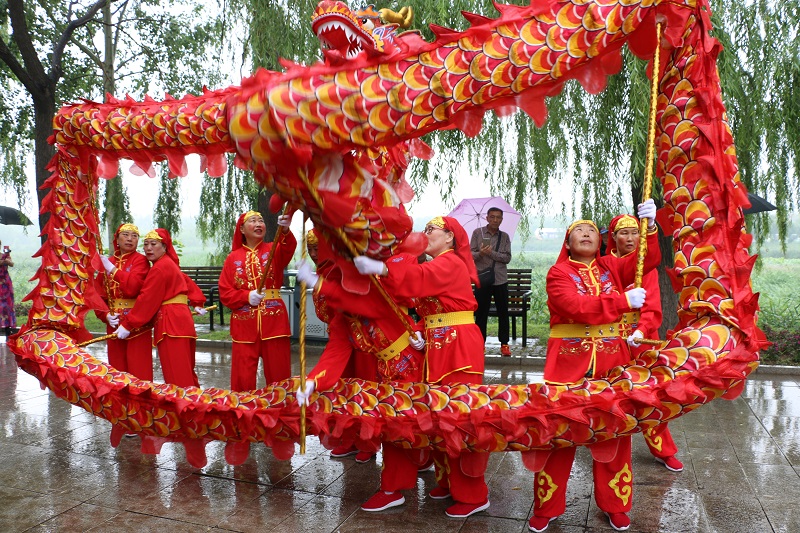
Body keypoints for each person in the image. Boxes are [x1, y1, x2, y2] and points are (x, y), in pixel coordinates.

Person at [528, 199, 661, 533]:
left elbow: (646, 261)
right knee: (557, 435)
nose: (585, 233)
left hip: (611, 364)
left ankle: (616, 504)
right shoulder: (559, 273)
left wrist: (652, 228)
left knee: (614, 434)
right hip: (566, 367)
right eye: (578, 231)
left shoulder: (610, 268)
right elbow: (574, 306)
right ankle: (547, 506)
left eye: (590, 230)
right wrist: (621, 301)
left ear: (600, 241)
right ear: (568, 243)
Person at [353, 216, 490, 519]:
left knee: (460, 417)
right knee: (439, 414)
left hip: (458, 346)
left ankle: (474, 493)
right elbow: (415, 298)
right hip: (436, 342)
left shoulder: (450, 262)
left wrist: (382, 267)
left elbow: (414, 280)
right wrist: (417, 327)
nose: (425, 234)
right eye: (424, 229)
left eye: (432, 230)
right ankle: (450, 481)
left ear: (450, 238)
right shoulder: (436, 267)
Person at [296, 255, 425, 510]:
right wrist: (312, 382)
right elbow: (334, 353)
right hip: (386, 371)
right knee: (396, 428)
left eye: (339, 290)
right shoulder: (343, 319)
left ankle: (415, 475)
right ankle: (393, 488)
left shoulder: (376, 295)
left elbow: (370, 307)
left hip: (409, 364)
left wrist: (316, 281)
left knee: (410, 423)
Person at [607, 214, 683, 472]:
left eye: (634, 233)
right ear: (613, 238)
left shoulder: (645, 266)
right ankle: (607, 440)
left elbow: (651, 308)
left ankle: (664, 449)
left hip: (638, 338)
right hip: (607, 339)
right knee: (609, 394)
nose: (630, 238)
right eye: (624, 233)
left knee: (649, 396)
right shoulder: (603, 265)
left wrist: (641, 330)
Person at [113, 229, 205, 388]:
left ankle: (184, 410)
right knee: (187, 372)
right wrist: (197, 301)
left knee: (177, 377)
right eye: (146, 244)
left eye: (153, 244)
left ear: (164, 247)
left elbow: (147, 300)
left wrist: (128, 324)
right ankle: (196, 407)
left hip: (171, 325)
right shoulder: (168, 264)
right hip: (182, 323)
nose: (148, 248)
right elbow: (186, 281)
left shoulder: (159, 268)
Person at [218, 211, 297, 391]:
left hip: (274, 321)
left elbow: (288, 247)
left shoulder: (274, 249)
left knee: (280, 377)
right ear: (242, 229)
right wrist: (246, 296)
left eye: (261, 220)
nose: (258, 223)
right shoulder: (233, 258)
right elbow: (225, 292)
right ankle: (243, 415)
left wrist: (285, 230)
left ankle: (280, 412)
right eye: (252, 221)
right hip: (244, 326)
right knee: (242, 379)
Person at [93, 223, 153, 380]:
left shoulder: (141, 261)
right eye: (125, 235)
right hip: (114, 322)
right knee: (116, 369)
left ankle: (141, 403)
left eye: (134, 236)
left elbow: (133, 288)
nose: (130, 239)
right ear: (117, 240)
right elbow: (97, 294)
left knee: (139, 369)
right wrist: (104, 315)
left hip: (136, 322)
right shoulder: (108, 261)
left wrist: (112, 269)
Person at [470, 207, 512, 355]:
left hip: (500, 279)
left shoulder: (505, 237)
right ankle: (480, 343)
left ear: (501, 219)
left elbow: (507, 258)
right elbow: (470, 255)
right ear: (487, 218)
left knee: (503, 312)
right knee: (481, 312)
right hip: (482, 278)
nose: (495, 220)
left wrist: (491, 253)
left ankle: (504, 343)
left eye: (498, 217)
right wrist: (481, 253)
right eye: (492, 217)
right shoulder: (477, 233)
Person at [0, 241, 16, 336]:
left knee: (7, 306)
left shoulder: (4, 255)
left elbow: (11, 263)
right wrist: (3, 262)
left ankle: (7, 329)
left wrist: (7, 259)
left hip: (5, 283)